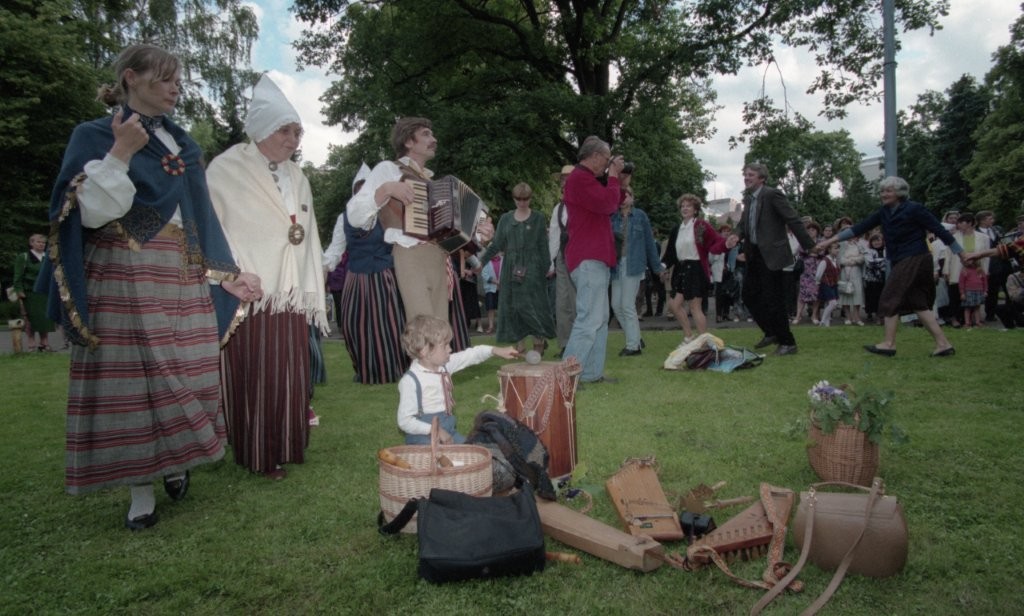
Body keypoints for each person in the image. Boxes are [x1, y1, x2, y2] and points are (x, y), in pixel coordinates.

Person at [42, 44, 260, 529]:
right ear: (131, 78)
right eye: (165, 78)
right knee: (135, 380)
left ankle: (176, 460)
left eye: (178, 79)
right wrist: (121, 151)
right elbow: (88, 213)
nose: (175, 87)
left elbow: (200, 217)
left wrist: (227, 273)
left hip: (180, 269)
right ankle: (140, 490)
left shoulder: (183, 145)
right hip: (124, 266)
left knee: (189, 369)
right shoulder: (94, 135)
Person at [207, 74, 327, 479]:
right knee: (257, 372)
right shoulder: (226, 169)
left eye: (297, 132)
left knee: (289, 372)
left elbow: (307, 232)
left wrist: (309, 280)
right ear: (261, 127)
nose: (293, 140)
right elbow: (215, 228)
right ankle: (258, 450)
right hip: (249, 290)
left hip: (289, 291)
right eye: (284, 130)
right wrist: (233, 273)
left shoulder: (298, 176)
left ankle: (288, 444)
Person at [815, 176, 964, 357]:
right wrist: (828, 241)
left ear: (900, 192)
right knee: (919, 303)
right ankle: (943, 344)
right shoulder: (884, 212)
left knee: (890, 297)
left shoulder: (914, 209)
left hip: (915, 258)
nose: (883, 194)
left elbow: (939, 230)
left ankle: (888, 344)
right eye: (882, 191)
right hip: (901, 259)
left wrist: (961, 254)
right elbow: (858, 228)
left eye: (888, 191)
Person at [345, 117, 451, 322]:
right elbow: (354, 215)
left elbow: (450, 231)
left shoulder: (432, 182)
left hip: (438, 256)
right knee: (424, 328)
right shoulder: (388, 169)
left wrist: (477, 233)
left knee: (441, 329)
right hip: (410, 255)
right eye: (426, 134)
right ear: (408, 141)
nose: (434, 139)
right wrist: (386, 189)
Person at [726, 163, 815, 356]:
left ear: (762, 178)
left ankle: (788, 342)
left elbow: (793, 219)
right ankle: (771, 332)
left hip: (772, 255)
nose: (746, 177)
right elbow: (743, 225)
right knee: (749, 295)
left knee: (773, 299)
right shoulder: (749, 199)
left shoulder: (772, 195)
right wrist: (736, 236)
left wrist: (809, 245)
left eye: (751, 175)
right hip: (754, 254)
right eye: (745, 174)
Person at [561, 136, 625, 384]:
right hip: (589, 258)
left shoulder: (585, 180)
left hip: (593, 258)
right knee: (589, 319)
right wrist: (613, 177)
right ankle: (565, 379)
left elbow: (612, 200)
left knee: (599, 320)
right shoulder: (580, 178)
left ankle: (590, 373)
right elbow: (608, 203)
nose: (608, 164)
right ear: (595, 156)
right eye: (607, 159)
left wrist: (619, 181)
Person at [397, 315, 518, 445]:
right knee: (449, 457)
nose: (450, 349)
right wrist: (435, 430)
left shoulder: (444, 366)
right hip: (423, 438)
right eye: (445, 345)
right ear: (425, 350)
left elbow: (471, 355)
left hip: (449, 432)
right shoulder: (410, 381)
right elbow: (405, 421)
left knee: (475, 451)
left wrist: (495, 350)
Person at [478, 183, 555, 354]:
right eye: (518, 199)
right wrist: (481, 262)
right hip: (510, 268)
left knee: (533, 306)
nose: (522, 202)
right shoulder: (506, 219)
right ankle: (520, 345)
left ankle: (538, 342)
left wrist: (545, 268)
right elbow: (496, 244)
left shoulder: (538, 218)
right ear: (514, 199)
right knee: (514, 307)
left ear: (530, 198)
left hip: (533, 267)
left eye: (525, 199)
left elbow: (543, 246)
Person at [662, 194, 727, 343]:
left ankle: (704, 343)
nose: (685, 208)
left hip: (696, 268)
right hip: (680, 269)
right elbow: (670, 252)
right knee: (674, 305)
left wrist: (726, 244)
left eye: (688, 206)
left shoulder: (701, 226)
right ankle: (689, 337)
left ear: (695, 210)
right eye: (682, 206)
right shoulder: (676, 229)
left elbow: (716, 241)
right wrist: (663, 266)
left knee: (694, 307)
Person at [610, 186, 663, 355]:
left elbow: (649, 243)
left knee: (627, 305)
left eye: (627, 195)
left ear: (632, 198)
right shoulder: (612, 217)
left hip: (634, 265)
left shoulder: (640, 216)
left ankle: (633, 346)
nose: (623, 198)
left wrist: (657, 267)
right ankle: (636, 337)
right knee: (616, 305)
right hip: (616, 266)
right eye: (621, 195)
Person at [546, 165, 577, 354]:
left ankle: (579, 345)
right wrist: (550, 262)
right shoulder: (558, 208)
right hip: (562, 259)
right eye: (563, 179)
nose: (564, 182)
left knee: (577, 303)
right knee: (562, 303)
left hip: (580, 258)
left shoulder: (583, 205)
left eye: (568, 178)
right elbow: (554, 237)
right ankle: (565, 345)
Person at [943, 212, 990, 328]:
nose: (958, 224)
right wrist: (946, 270)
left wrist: (984, 271)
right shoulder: (954, 237)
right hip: (957, 268)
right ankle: (955, 317)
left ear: (969, 223)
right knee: (955, 294)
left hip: (975, 269)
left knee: (973, 294)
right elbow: (948, 254)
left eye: (961, 222)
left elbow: (986, 256)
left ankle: (972, 319)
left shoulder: (984, 238)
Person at [12, 233, 57, 351]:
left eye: (43, 243)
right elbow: (17, 276)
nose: (42, 244)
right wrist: (19, 290)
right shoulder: (24, 257)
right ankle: (31, 343)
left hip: (46, 292)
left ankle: (44, 342)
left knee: (46, 318)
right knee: (30, 318)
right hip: (30, 292)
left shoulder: (48, 257)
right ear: (31, 243)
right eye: (38, 242)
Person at [835, 217, 866, 325]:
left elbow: (863, 257)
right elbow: (839, 259)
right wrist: (850, 261)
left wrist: (853, 260)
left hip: (856, 271)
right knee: (845, 293)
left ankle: (857, 317)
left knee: (857, 293)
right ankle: (848, 317)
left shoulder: (859, 244)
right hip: (844, 271)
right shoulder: (841, 245)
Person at [793, 221, 822, 325]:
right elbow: (801, 251)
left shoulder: (821, 241)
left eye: (813, 230)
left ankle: (814, 315)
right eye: (808, 230)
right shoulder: (803, 241)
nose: (810, 232)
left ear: (817, 231)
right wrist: (813, 252)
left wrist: (812, 252)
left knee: (816, 293)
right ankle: (798, 316)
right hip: (805, 270)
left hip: (817, 270)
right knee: (802, 293)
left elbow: (822, 252)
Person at [863, 232, 888, 324]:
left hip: (885, 278)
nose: (876, 242)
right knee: (873, 298)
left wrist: (879, 262)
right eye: (874, 241)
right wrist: (883, 262)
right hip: (872, 279)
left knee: (884, 298)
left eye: (878, 240)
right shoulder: (868, 251)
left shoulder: (886, 250)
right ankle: (876, 317)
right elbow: (870, 263)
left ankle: (883, 316)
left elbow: (889, 262)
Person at [815, 242, 842, 327]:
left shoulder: (835, 260)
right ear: (829, 250)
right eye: (835, 248)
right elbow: (818, 274)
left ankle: (827, 324)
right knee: (833, 303)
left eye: (838, 248)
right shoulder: (825, 260)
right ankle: (823, 322)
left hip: (833, 284)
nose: (837, 250)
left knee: (829, 303)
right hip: (826, 284)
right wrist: (818, 283)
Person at [958, 257, 988, 328]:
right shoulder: (964, 271)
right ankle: (967, 323)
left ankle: (977, 322)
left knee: (977, 307)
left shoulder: (980, 270)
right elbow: (961, 283)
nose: (970, 262)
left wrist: (985, 291)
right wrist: (962, 293)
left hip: (979, 291)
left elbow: (985, 281)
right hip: (968, 291)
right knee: (967, 308)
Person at [481, 254, 500, 334]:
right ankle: (491, 326)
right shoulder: (486, 261)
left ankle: (502, 327)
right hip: (490, 288)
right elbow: (484, 274)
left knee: (503, 308)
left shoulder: (504, 260)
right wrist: (496, 282)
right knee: (490, 308)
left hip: (502, 288)